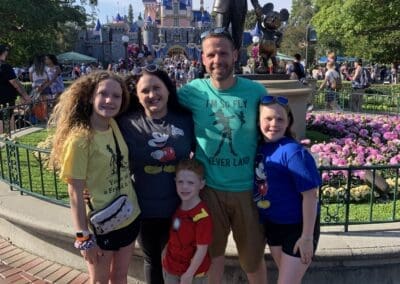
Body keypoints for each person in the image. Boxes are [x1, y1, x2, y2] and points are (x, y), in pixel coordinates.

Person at [177, 29, 267, 284]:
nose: (218, 60)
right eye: (211, 54)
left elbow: (277, 126)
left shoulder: (255, 92)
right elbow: (156, 104)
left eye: (223, 53)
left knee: (252, 260)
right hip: (210, 191)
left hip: (246, 191)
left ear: (235, 55)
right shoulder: (192, 91)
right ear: (203, 59)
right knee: (211, 257)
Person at [49, 71, 141, 283]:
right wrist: (83, 237)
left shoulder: (115, 124)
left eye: (116, 96)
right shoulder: (80, 139)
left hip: (130, 215)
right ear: (91, 96)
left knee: (120, 276)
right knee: (99, 281)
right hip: (101, 226)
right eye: (103, 94)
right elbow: (74, 192)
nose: (110, 100)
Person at [118, 65, 194, 284]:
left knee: (178, 259)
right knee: (152, 260)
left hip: (179, 208)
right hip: (143, 209)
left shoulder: (186, 120)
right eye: (145, 91)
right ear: (137, 96)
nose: (152, 95)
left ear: (168, 90)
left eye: (157, 88)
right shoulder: (126, 123)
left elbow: (201, 156)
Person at [254, 95, 321, 284]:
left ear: (288, 122)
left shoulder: (293, 152)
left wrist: (307, 237)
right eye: (268, 118)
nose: (274, 124)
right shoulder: (259, 148)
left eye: (280, 119)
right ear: (258, 121)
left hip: (297, 227)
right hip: (273, 225)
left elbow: (310, 195)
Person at [162, 159, 213, 284]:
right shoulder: (178, 209)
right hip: (171, 269)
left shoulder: (202, 216)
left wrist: (189, 274)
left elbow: (202, 249)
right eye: (180, 182)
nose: (184, 186)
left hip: (193, 275)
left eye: (191, 183)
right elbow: (174, 234)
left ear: (201, 184)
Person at [0, 44, 31, 133]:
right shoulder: (5, 67)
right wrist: (25, 96)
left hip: (5, 99)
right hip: (5, 99)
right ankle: (6, 142)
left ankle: (13, 138)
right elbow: (15, 83)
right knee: (3, 120)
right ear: (4, 53)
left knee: (10, 117)